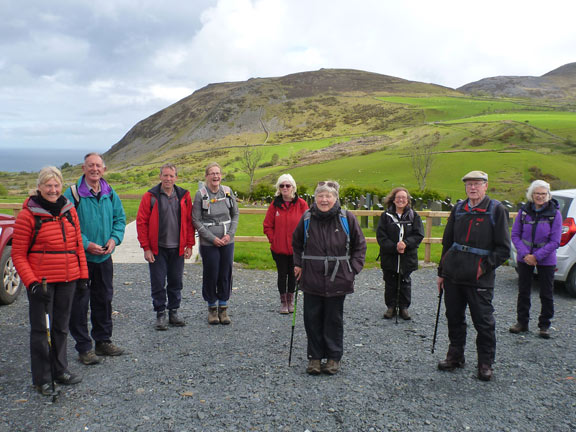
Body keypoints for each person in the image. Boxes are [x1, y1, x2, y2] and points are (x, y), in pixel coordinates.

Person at [12, 166, 88, 396]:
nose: (53, 190)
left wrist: (83, 276)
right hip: (42, 283)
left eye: (56, 185)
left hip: (68, 279)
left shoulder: (69, 211)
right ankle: (42, 378)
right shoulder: (28, 215)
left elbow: (78, 247)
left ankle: (60, 370)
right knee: (40, 331)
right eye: (48, 185)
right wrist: (32, 283)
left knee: (61, 328)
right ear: (40, 187)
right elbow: (17, 254)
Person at [437, 170, 510, 382]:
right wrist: (442, 272)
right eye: (469, 184)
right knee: (454, 317)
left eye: (477, 183)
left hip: (480, 278)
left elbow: (503, 249)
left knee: (484, 322)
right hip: (453, 276)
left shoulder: (496, 210)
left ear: (486, 186)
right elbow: (447, 242)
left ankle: (485, 363)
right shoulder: (459, 209)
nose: (473, 188)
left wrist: (482, 267)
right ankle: (455, 356)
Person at [292, 181, 366, 375]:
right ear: (315, 199)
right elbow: (297, 242)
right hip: (311, 277)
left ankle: (333, 358)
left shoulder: (346, 218)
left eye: (328, 196)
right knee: (312, 318)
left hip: (338, 277)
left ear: (335, 198)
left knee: (333, 319)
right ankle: (314, 358)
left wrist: (353, 269)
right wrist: (298, 264)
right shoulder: (307, 218)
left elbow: (360, 245)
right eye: (320, 196)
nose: (324, 200)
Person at [64, 153, 126, 365]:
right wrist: (85, 243)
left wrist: (114, 239)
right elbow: (66, 225)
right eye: (90, 165)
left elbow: (120, 218)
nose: (94, 169)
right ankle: (84, 348)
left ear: (104, 169)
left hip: (104, 259)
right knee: (80, 303)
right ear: (83, 168)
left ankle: (103, 341)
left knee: (104, 299)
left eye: (98, 166)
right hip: (80, 259)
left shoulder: (110, 193)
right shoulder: (72, 194)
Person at [136, 163, 195, 330]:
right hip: (157, 248)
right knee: (158, 282)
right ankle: (160, 313)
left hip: (177, 247)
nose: (168, 179)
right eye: (165, 175)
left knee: (176, 281)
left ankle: (174, 312)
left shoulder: (184, 196)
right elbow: (141, 223)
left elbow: (190, 222)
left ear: (176, 178)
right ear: (160, 177)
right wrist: (146, 248)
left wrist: (189, 244)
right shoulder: (150, 196)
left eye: (171, 176)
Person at [509, 180, 562, 339]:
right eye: (537, 193)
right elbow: (515, 235)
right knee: (523, 291)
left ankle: (544, 325)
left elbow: (555, 241)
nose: (540, 196)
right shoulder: (524, 212)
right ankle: (522, 323)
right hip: (525, 257)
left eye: (543, 194)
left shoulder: (555, 214)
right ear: (531, 195)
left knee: (546, 292)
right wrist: (526, 255)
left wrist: (536, 256)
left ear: (548, 195)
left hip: (546, 259)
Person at [192, 162, 239, 325]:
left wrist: (229, 235)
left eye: (218, 173)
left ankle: (223, 308)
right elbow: (196, 220)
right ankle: (212, 308)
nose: (215, 176)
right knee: (211, 272)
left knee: (225, 272)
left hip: (227, 240)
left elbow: (235, 214)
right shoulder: (200, 194)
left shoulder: (227, 192)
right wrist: (212, 238)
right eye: (212, 173)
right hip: (209, 242)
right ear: (206, 176)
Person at [263, 174, 309, 314]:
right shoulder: (274, 205)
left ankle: (291, 301)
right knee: (282, 275)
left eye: (287, 185)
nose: (285, 188)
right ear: (278, 188)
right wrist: (274, 239)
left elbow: (308, 225)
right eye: (282, 185)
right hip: (279, 248)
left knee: (294, 274)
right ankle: (284, 302)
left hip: (296, 249)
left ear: (293, 187)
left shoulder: (301, 204)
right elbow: (267, 225)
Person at [376, 187, 424, 320]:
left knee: (405, 281)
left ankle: (404, 307)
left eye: (404, 197)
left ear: (408, 200)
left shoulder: (414, 216)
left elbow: (418, 234)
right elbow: (381, 236)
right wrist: (394, 247)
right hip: (390, 256)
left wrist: (406, 244)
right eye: (398, 197)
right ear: (393, 199)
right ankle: (390, 307)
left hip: (407, 256)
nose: (401, 200)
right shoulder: (386, 216)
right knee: (390, 281)